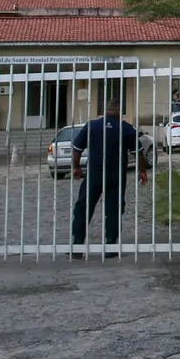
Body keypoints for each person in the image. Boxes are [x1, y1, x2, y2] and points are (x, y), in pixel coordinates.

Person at [71, 99, 148, 259]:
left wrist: (76, 167)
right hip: (116, 174)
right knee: (113, 209)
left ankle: (78, 243)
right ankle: (111, 244)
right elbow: (139, 152)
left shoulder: (92, 126)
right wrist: (142, 171)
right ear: (119, 111)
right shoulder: (125, 128)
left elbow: (77, 149)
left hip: (95, 173)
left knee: (84, 206)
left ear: (105, 110)